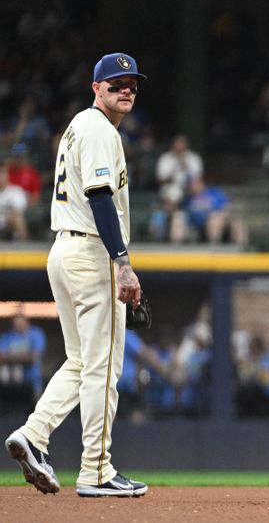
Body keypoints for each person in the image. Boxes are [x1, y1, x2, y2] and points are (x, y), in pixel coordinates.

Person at [4, 53, 148, 497]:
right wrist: (122, 262)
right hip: (91, 251)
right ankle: (97, 469)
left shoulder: (77, 127)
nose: (125, 89)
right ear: (96, 88)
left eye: (132, 84)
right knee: (104, 365)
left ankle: (33, 434)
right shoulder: (100, 129)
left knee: (82, 361)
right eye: (115, 83)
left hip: (64, 251)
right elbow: (101, 196)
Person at [0, 311, 46, 410]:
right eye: (16, 324)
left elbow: (34, 358)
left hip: (32, 381)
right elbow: (1, 357)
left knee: (36, 410)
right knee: (10, 413)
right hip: (10, 382)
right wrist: (24, 357)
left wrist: (10, 357)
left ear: (27, 322)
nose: (18, 326)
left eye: (21, 323)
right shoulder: (7, 336)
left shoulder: (36, 334)